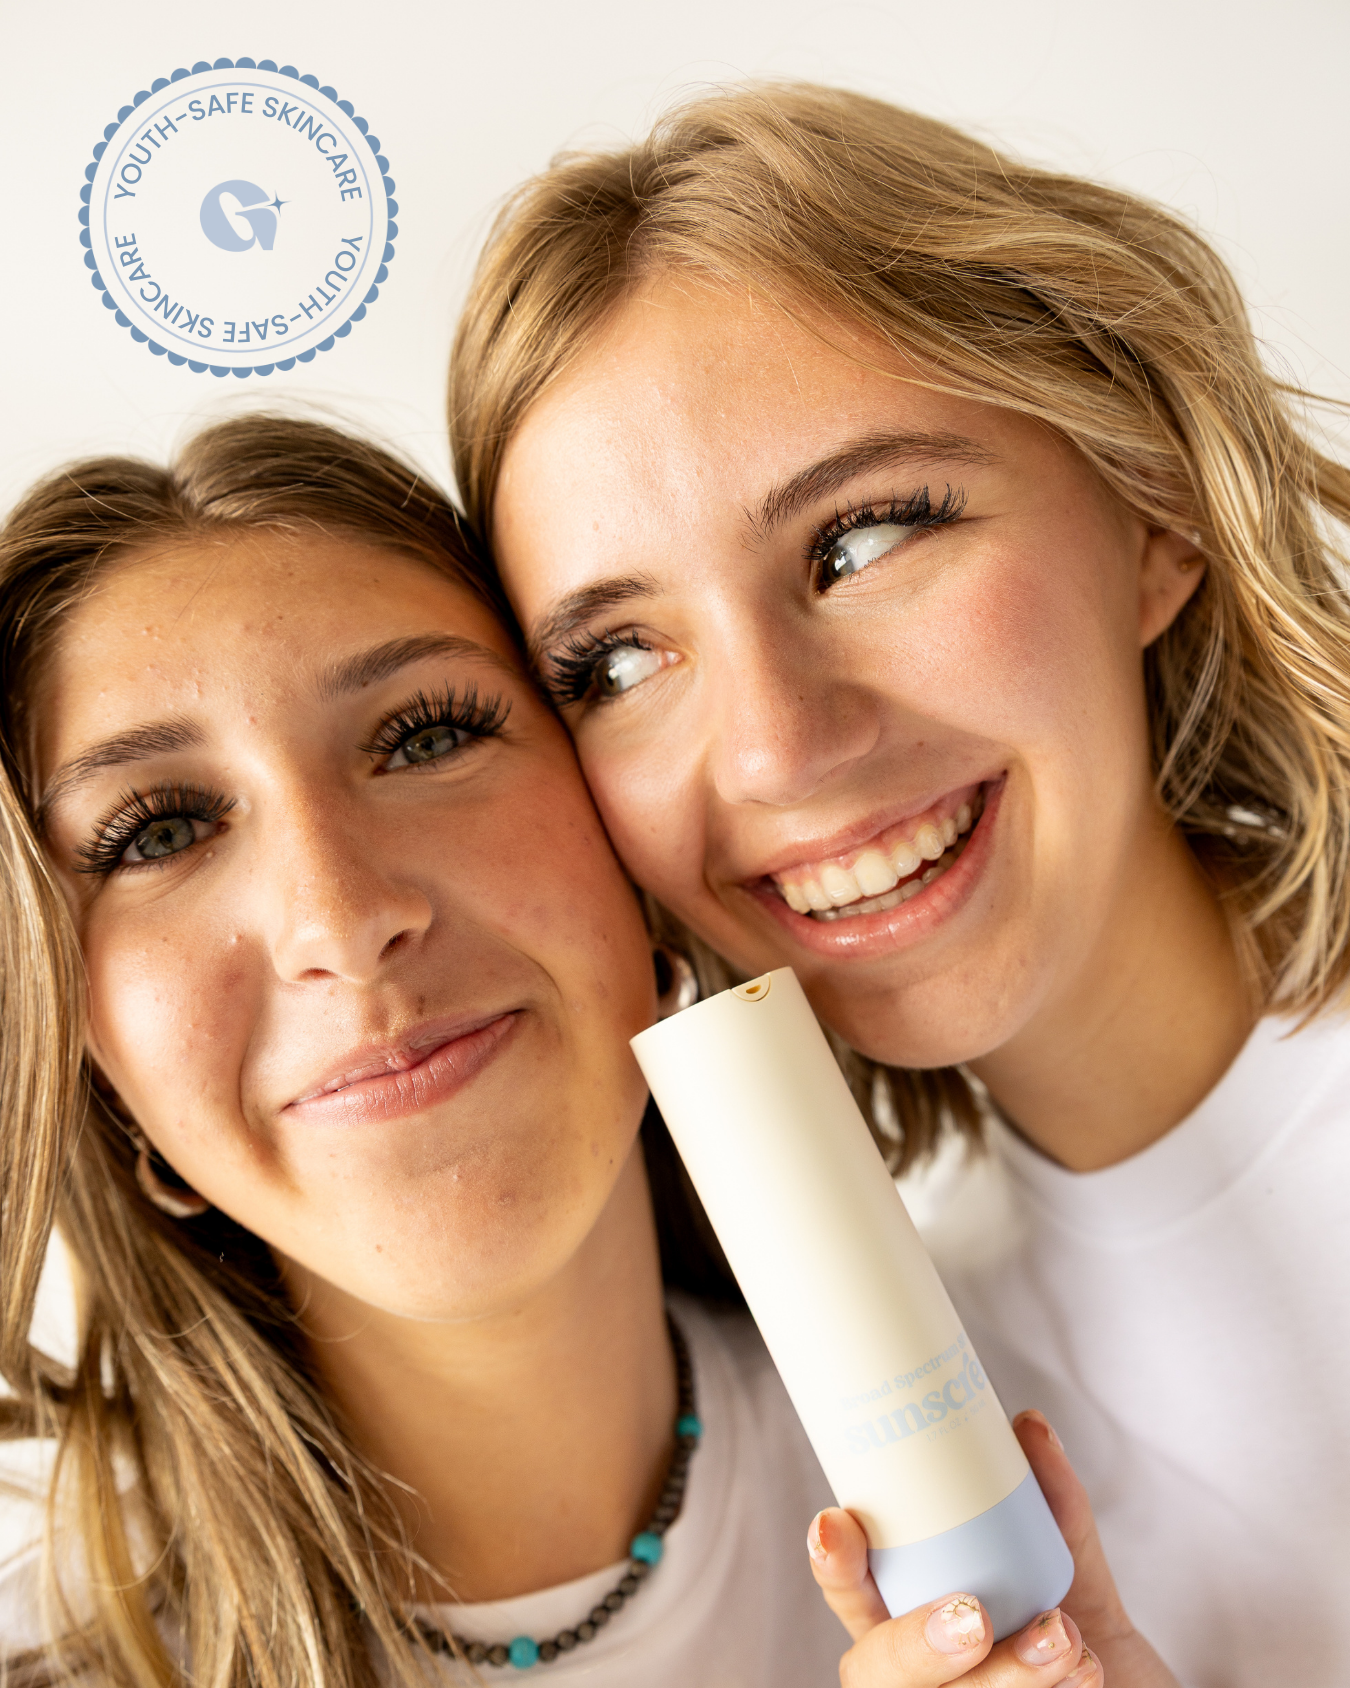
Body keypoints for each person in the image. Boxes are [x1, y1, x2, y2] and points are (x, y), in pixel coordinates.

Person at [447, 82, 1350, 1688]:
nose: (780, 751)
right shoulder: (901, 1426)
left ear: (1150, 505)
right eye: (621, 658)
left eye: (861, 542)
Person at [0, 414, 1133, 1688]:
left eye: (425, 737)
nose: (343, 919)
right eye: (156, 831)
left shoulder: (1069, 1461)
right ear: (91, 1060)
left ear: (630, 840)